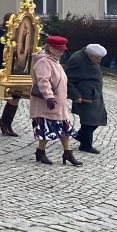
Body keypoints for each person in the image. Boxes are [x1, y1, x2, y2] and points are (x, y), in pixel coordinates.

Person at [31, 35, 81, 166]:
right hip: (46, 104)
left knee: (65, 128)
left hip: (58, 104)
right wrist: (49, 97)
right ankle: (41, 152)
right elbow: (43, 81)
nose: (62, 52)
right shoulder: (44, 62)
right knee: (46, 129)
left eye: (63, 49)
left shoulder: (54, 61)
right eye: (59, 49)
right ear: (51, 48)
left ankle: (67, 153)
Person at [66, 43, 108, 155]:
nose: (99, 61)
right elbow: (68, 80)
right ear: (90, 55)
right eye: (98, 58)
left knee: (97, 119)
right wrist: (76, 95)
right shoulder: (78, 60)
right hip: (85, 95)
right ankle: (86, 145)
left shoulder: (89, 57)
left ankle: (80, 136)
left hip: (94, 93)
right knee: (89, 120)